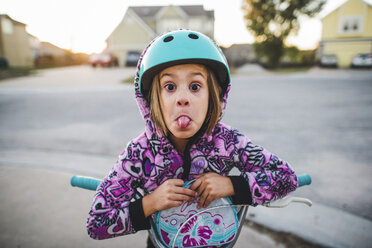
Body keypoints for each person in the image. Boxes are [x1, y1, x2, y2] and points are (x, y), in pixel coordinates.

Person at [86, 30, 298, 246]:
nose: (183, 99)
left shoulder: (228, 141)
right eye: (169, 87)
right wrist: (151, 202)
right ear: (151, 100)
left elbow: (286, 177)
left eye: (195, 87)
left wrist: (232, 185)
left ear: (214, 96)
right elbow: (97, 223)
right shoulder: (139, 153)